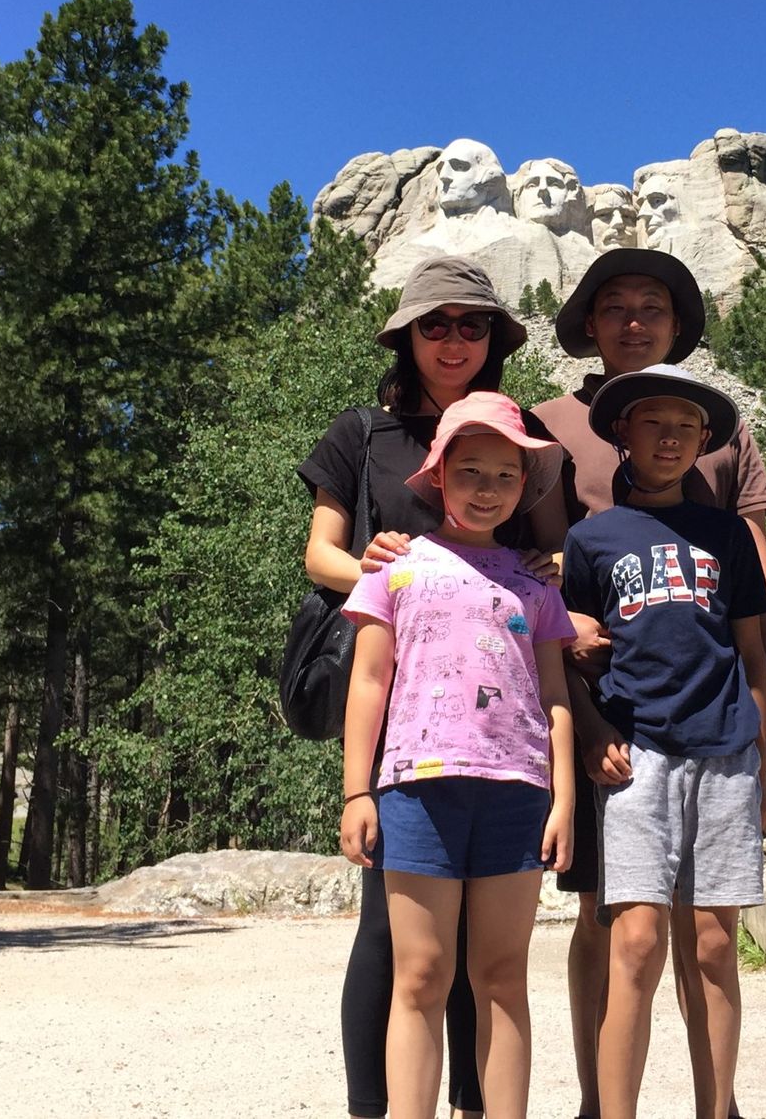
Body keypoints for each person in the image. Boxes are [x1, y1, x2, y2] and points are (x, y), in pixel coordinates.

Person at [530, 249, 766, 1117]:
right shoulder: (545, 424)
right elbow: (523, 553)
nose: (635, 321)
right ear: (589, 321)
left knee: (708, 935)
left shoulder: (724, 432)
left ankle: (713, 1104)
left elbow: (752, 570)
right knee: (608, 924)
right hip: (605, 718)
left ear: (680, 324)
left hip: (714, 720)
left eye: (654, 306)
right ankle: (598, 1101)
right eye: (616, 306)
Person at [300, 256, 566, 1119]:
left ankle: (476, 1105)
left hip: (501, 731)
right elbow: (320, 554)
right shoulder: (362, 433)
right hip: (403, 711)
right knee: (395, 935)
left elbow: (553, 555)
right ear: (407, 335)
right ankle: (373, 1108)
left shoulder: (515, 431)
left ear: (495, 339)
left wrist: (547, 568)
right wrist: (384, 568)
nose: (454, 340)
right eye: (435, 324)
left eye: (473, 324)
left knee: (485, 954)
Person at [340, 391, 576, 1119]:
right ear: (438, 475)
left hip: (517, 792)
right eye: (471, 471)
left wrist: (564, 799)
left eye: (507, 476)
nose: (489, 489)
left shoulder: (534, 583)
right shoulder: (394, 569)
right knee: (420, 977)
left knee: (502, 976)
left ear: (525, 486)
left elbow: (555, 694)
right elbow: (369, 681)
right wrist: (357, 792)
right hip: (416, 789)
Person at [560, 365, 766, 1119]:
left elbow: (752, 651)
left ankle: (717, 1110)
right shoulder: (591, 539)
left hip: (724, 753)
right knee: (637, 942)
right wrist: (591, 733)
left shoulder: (727, 536)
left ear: (705, 440)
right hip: (637, 753)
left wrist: (764, 760)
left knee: (714, 946)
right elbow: (568, 654)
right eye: (654, 422)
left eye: (687, 425)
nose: (671, 436)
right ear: (624, 431)